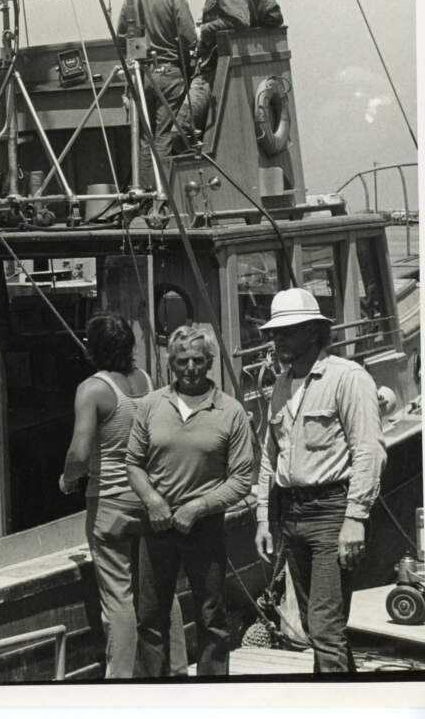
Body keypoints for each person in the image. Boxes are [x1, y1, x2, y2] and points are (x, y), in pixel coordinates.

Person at [254, 288, 386, 672]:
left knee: (325, 629)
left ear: (314, 331)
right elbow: (270, 455)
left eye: (288, 331)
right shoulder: (282, 384)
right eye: (275, 332)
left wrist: (355, 517)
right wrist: (264, 517)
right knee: (318, 629)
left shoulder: (348, 378)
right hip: (292, 516)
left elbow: (368, 449)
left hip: (333, 513)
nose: (278, 339)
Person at [59, 313, 187, 678]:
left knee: (119, 598)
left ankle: (121, 680)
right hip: (149, 499)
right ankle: (176, 669)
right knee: (161, 589)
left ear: (93, 348)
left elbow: (80, 455)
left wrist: (68, 480)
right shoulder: (146, 381)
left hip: (110, 505)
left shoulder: (92, 390)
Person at [126, 324, 253, 676]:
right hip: (157, 525)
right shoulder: (152, 405)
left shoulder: (231, 411)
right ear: (171, 364)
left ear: (210, 361)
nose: (191, 368)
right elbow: (133, 463)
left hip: (205, 527)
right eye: (183, 361)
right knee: (150, 617)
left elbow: (243, 478)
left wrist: (198, 507)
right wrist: (152, 500)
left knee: (211, 616)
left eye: (199, 360)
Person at [174, 0, 284, 140]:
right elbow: (273, 16)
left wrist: (204, 30)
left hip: (212, 70)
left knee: (179, 130)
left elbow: (239, 19)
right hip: (230, 69)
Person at [117, 0, 197, 172]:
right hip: (169, 73)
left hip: (141, 75)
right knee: (164, 136)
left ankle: (148, 196)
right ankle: (164, 198)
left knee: (146, 139)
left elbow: (121, 38)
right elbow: (190, 38)